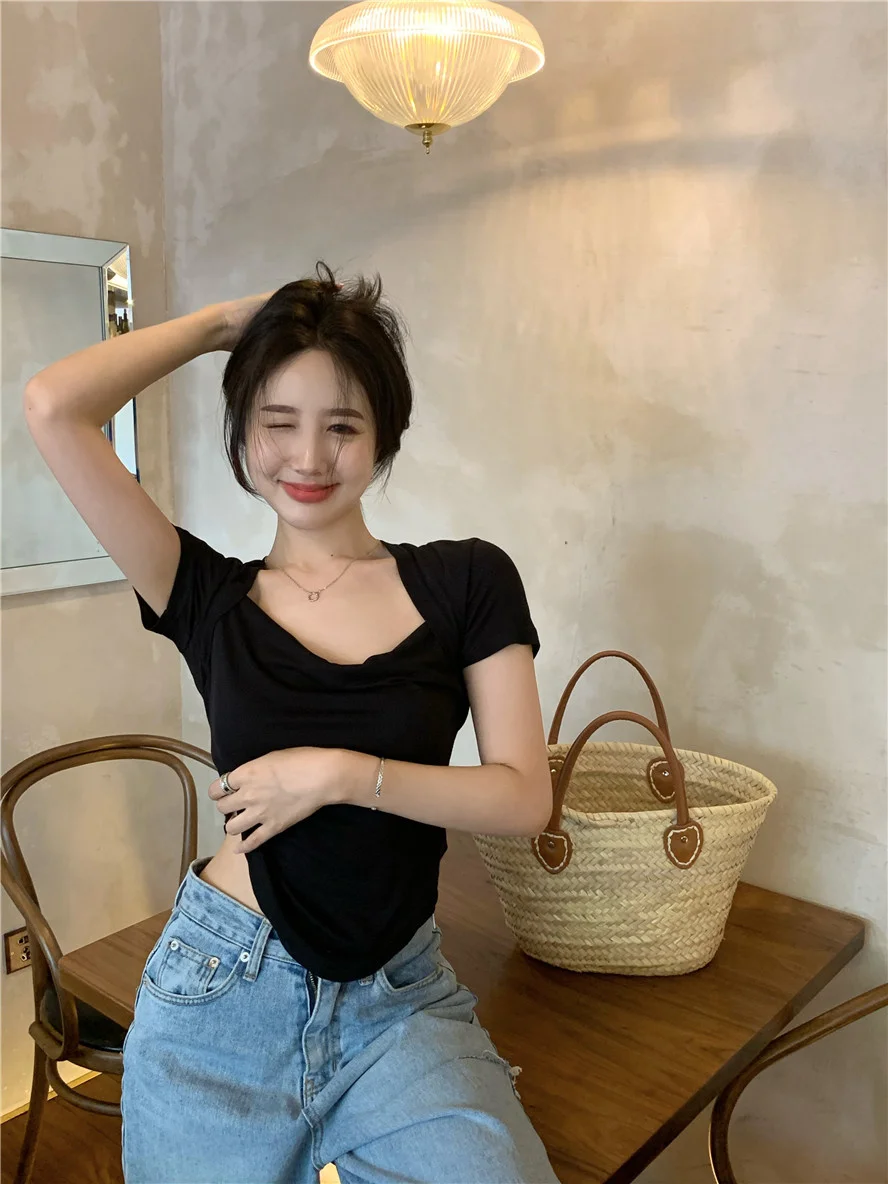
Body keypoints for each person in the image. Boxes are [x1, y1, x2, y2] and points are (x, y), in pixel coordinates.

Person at [24, 261, 561, 1184]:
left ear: (384, 437)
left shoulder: (468, 580)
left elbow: (523, 800)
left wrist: (340, 773)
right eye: (278, 422)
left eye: (342, 426)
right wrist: (225, 326)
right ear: (243, 433)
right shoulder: (202, 594)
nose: (308, 458)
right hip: (221, 993)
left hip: (400, 1004)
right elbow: (52, 406)